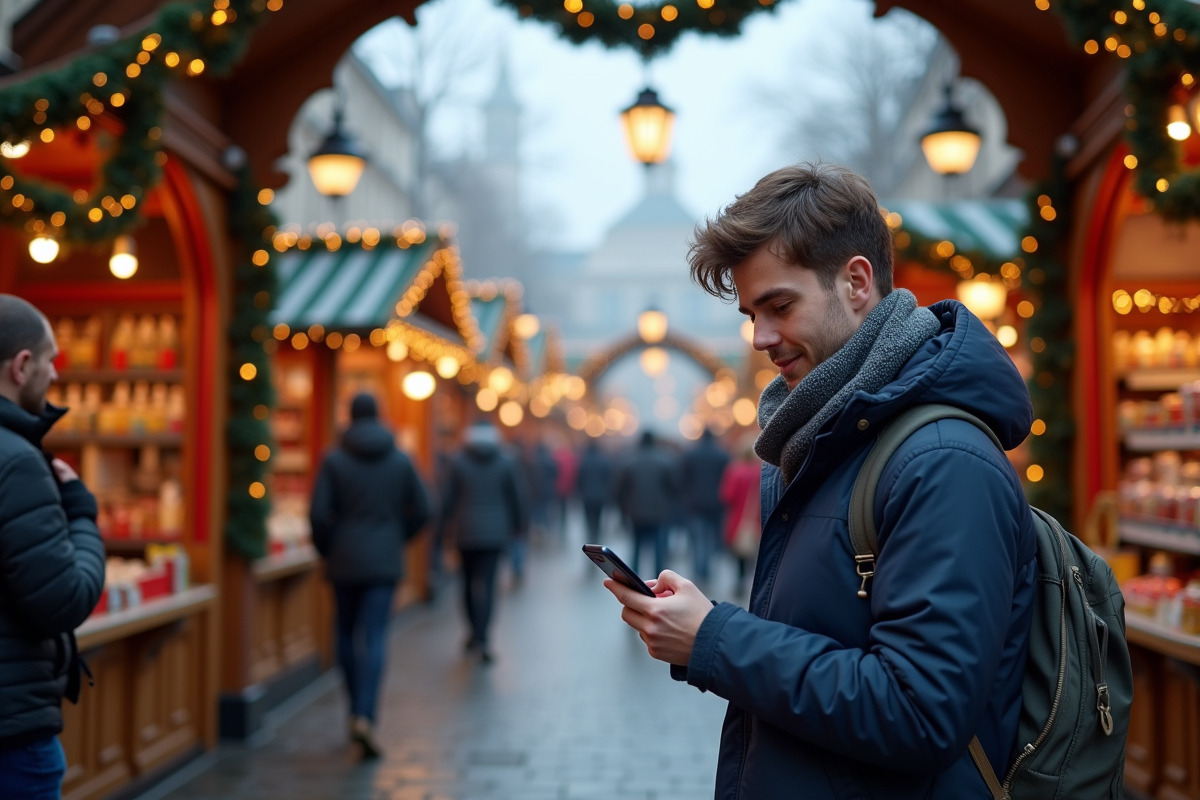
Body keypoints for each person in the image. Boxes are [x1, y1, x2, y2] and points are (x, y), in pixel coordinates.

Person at [602, 163, 1036, 800]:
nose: (761, 338)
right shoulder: (821, 441)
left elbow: (922, 712)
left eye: (780, 306)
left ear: (856, 282)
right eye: (752, 314)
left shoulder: (942, 459)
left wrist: (714, 637)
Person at [0, 295, 105, 799]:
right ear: (22, 366)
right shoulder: (18, 462)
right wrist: (81, 511)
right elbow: (63, 599)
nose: (56, 375)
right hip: (12, 737)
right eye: (50, 360)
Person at [310, 393, 430, 759]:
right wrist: (397, 537)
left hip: (344, 559)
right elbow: (424, 508)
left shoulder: (333, 459)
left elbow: (317, 514)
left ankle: (353, 711)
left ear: (349, 416)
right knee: (375, 634)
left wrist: (330, 547)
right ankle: (367, 714)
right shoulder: (400, 459)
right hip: (384, 560)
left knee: (345, 633)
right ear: (379, 415)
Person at [440, 422, 527, 663]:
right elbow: (516, 497)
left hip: (465, 531)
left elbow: (447, 498)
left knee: (467, 583)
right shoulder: (506, 461)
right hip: (495, 533)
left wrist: (443, 527)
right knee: (488, 586)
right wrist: (519, 526)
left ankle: (473, 632)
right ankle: (484, 636)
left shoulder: (458, 461)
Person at [615, 431, 679, 578]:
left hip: (635, 512)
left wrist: (623, 510)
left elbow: (620, 490)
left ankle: (634, 578)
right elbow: (673, 488)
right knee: (659, 550)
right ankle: (659, 579)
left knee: (636, 548)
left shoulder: (629, 461)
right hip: (659, 512)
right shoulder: (665, 461)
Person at [680, 428, 729, 582]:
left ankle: (700, 571)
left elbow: (683, 480)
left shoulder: (690, 455)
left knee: (699, 539)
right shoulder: (722, 456)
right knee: (713, 539)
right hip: (717, 503)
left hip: (696, 504)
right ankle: (707, 569)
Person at [718, 444, 761, 593]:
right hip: (757, 519)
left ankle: (740, 580)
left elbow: (727, 495)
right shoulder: (761, 471)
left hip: (738, 518)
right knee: (754, 552)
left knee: (739, 553)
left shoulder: (735, 470)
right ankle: (753, 581)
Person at [575, 440, 613, 543]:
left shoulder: (584, 461)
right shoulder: (604, 461)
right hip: (600, 496)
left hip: (587, 496)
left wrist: (579, 492)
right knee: (598, 518)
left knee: (588, 518)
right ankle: (596, 536)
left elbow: (579, 479)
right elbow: (608, 479)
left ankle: (591, 536)